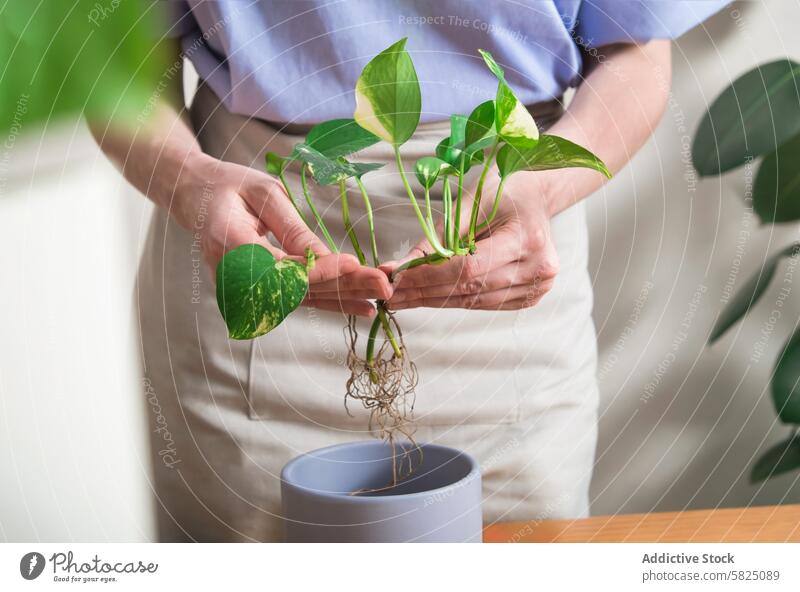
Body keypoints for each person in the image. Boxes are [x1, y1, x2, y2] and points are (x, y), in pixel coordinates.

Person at [93, 0, 730, 542]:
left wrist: (547, 187)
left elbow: (636, 50)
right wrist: (193, 185)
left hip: (505, 243)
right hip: (253, 231)